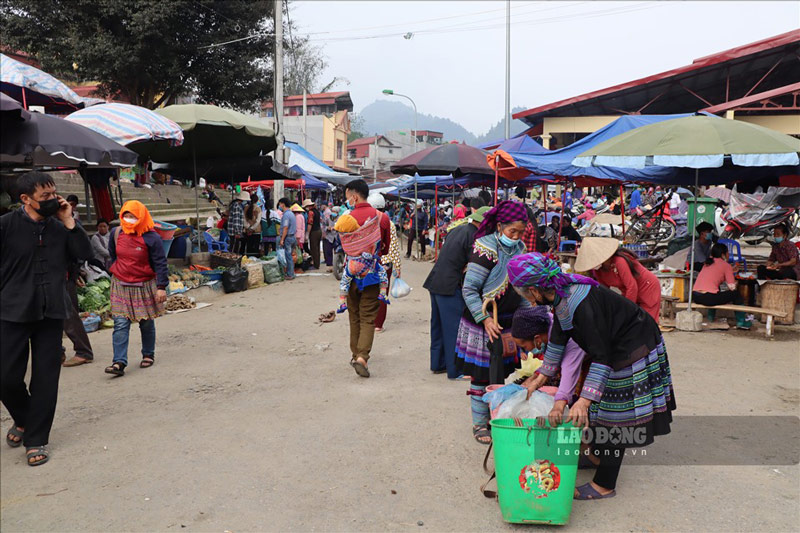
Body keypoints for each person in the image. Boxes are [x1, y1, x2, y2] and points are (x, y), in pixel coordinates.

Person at [508, 253, 675, 500]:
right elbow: (560, 335)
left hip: (632, 345)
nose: (527, 300)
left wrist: (584, 399)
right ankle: (596, 455)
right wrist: (543, 374)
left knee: (615, 416)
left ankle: (604, 484)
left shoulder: (581, 303)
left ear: (533, 291)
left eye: (524, 295)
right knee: (601, 407)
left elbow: (602, 355)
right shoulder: (561, 292)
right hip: (612, 346)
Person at [1, 172, 92, 466]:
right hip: (12, 311)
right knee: (5, 377)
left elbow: (84, 255)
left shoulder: (61, 227)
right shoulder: (5, 226)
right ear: (25, 199)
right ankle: (24, 418)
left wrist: (69, 222)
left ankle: (36, 437)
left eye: (55, 193)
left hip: (51, 312)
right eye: (46, 197)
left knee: (45, 378)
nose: (53, 200)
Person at [455, 201, 530, 444]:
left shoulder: (520, 249)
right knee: (481, 376)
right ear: (500, 227)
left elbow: (523, 290)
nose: (516, 237)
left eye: (520, 232)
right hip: (482, 322)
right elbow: (469, 290)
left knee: (501, 373)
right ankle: (480, 425)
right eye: (512, 232)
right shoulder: (485, 249)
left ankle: (495, 419)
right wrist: (485, 319)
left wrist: (530, 321)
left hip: (507, 322)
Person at [104, 201, 169, 377]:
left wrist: (161, 287)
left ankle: (148, 354)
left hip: (144, 284)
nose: (129, 219)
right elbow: (113, 254)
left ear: (141, 216)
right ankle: (119, 362)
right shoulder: (116, 233)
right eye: (126, 215)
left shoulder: (152, 237)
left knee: (146, 322)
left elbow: (160, 263)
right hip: (120, 284)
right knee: (120, 323)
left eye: (133, 216)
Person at [424, 206, 490, 379]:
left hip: (436, 281)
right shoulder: (475, 236)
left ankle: (438, 364)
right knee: (454, 328)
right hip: (450, 285)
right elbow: (475, 265)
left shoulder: (458, 229)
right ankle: (456, 370)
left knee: (438, 325)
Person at [340, 179, 391, 378]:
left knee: (354, 317)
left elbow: (342, 245)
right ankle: (362, 356)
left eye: (347, 197)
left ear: (354, 196)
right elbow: (385, 248)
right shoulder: (382, 218)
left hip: (350, 273)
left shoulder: (345, 218)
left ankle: (355, 354)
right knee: (368, 317)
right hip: (371, 276)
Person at [510, 306, 586, 424]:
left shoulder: (569, 338)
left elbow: (568, 374)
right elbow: (551, 361)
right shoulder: (547, 324)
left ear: (537, 339)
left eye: (524, 347)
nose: (525, 350)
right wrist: (535, 379)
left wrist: (558, 407)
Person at [575, 237, 661, 323]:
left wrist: (627, 309)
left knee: (647, 322)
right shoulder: (597, 270)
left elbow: (632, 286)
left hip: (647, 287)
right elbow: (603, 291)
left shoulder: (619, 261)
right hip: (629, 291)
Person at [693, 243, 751, 328]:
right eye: (727, 253)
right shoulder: (726, 266)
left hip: (696, 296)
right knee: (735, 294)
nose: (728, 255)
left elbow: (715, 277)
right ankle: (741, 321)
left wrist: (730, 271)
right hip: (708, 298)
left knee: (717, 289)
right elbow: (732, 287)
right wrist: (732, 276)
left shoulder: (707, 263)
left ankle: (710, 317)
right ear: (723, 254)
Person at [368, 193, 401, 333]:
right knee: (382, 293)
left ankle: (368, 320)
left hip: (369, 262)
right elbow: (393, 247)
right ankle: (378, 324)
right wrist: (398, 267)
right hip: (385, 264)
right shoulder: (389, 223)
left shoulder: (367, 222)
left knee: (369, 292)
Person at [277, 198, 297, 280]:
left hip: (288, 238)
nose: (279, 206)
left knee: (288, 256)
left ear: (283, 204)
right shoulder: (291, 214)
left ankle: (290, 274)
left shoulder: (286, 215)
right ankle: (292, 272)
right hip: (292, 237)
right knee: (290, 256)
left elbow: (285, 227)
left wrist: (282, 239)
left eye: (280, 204)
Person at [304, 199, 322, 270]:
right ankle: (317, 264)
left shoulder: (311, 213)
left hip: (314, 232)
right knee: (317, 248)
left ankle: (315, 265)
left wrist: (307, 233)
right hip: (319, 230)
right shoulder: (317, 211)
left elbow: (310, 224)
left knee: (313, 248)